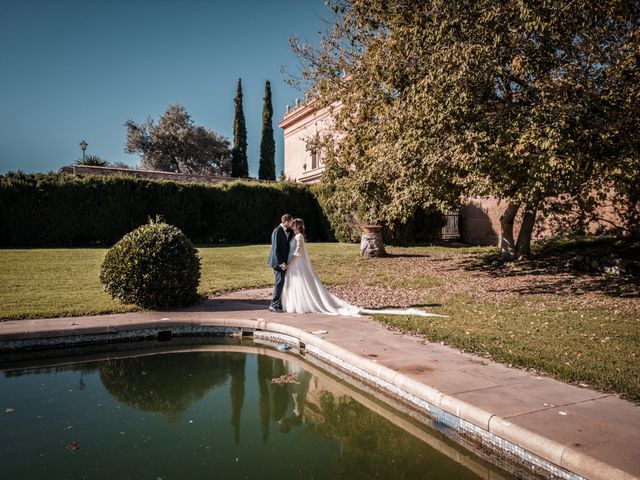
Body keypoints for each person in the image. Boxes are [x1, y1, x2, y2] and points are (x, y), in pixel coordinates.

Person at [280, 218, 443, 317]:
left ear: (298, 226)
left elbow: (298, 252)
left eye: (294, 224)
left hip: (297, 264)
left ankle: (303, 304)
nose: (292, 225)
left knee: (301, 283)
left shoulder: (299, 236)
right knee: (297, 283)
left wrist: (290, 263)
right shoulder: (296, 235)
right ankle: (297, 304)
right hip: (294, 264)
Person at [267, 214, 294, 312]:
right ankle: (273, 305)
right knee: (279, 282)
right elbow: (276, 249)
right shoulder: (277, 230)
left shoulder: (287, 230)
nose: (292, 223)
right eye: (291, 221)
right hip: (278, 262)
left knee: (281, 282)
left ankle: (278, 304)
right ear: (286, 221)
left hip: (283, 261)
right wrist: (281, 263)